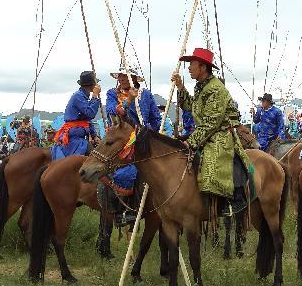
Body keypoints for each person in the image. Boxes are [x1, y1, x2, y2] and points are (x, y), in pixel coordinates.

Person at [173, 47, 251, 214]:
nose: (189, 68)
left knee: (213, 160)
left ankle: (229, 201)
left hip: (220, 134)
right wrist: (180, 87)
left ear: (202, 67)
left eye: (192, 64)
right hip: (205, 132)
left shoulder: (215, 89)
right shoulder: (201, 87)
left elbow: (211, 123)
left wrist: (191, 142)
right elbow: (191, 106)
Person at [105, 66, 161, 225]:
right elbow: (112, 113)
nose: (122, 78)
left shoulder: (146, 95)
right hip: (118, 138)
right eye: (121, 75)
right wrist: (128, 101)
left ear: (135, 79)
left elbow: (155, 118)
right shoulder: (112, 93)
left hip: (141, 137)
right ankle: (120, 209)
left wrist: (150, 132)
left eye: (126, 76)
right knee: (120, 170)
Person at [51, 71, 101, 161]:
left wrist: (94, 136)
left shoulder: (84, 97)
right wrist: (95, 95)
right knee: (94, 159)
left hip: (79, 135)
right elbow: (90, 113)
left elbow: (87, 120)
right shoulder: (78, 96)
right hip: (75, 138)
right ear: (92, 85)